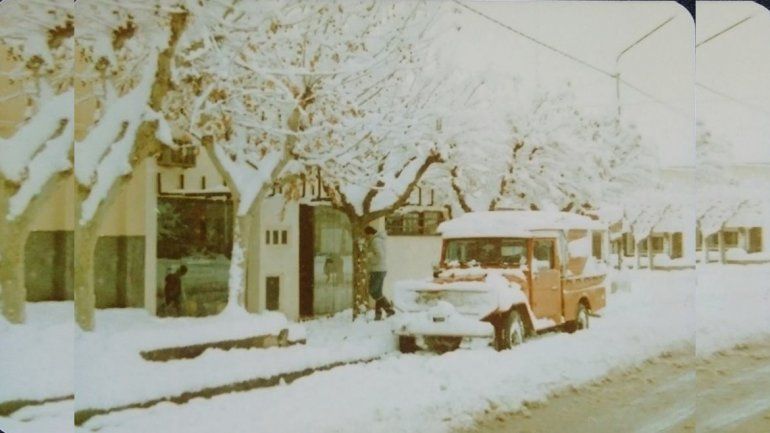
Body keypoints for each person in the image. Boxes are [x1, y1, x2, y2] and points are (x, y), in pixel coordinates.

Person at [365, 226, 395, 320]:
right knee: (378, 293)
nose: (366, 237)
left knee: (373, 292)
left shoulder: (375, 241)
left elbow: (380, 256)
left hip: (377, 270)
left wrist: (369, 257)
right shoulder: (379, 240)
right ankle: (378, 314)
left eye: (366, 235)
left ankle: (389, 309)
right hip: (380, 269)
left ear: (370, 234)